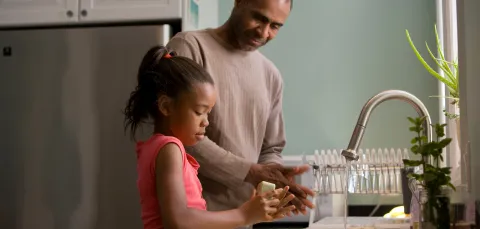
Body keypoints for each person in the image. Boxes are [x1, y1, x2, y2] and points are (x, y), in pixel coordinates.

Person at [166, 0, 314, 221]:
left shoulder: (270, 75)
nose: (264, 33)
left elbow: (271, 147)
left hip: (243, 219)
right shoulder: (190, 46)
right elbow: (178, 133)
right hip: (192, 218)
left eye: (275, 26)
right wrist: (251, 172)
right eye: (259, 18)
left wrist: (272, 176)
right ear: (239, 2)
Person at [123, 45, 296, 229]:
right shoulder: (169, 149)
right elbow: (178, 220)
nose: (206, 122)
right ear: (166, 106)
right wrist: (243, 214)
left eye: (208, 113)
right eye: (199, 112)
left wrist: (254, 213)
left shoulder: (155, 147)